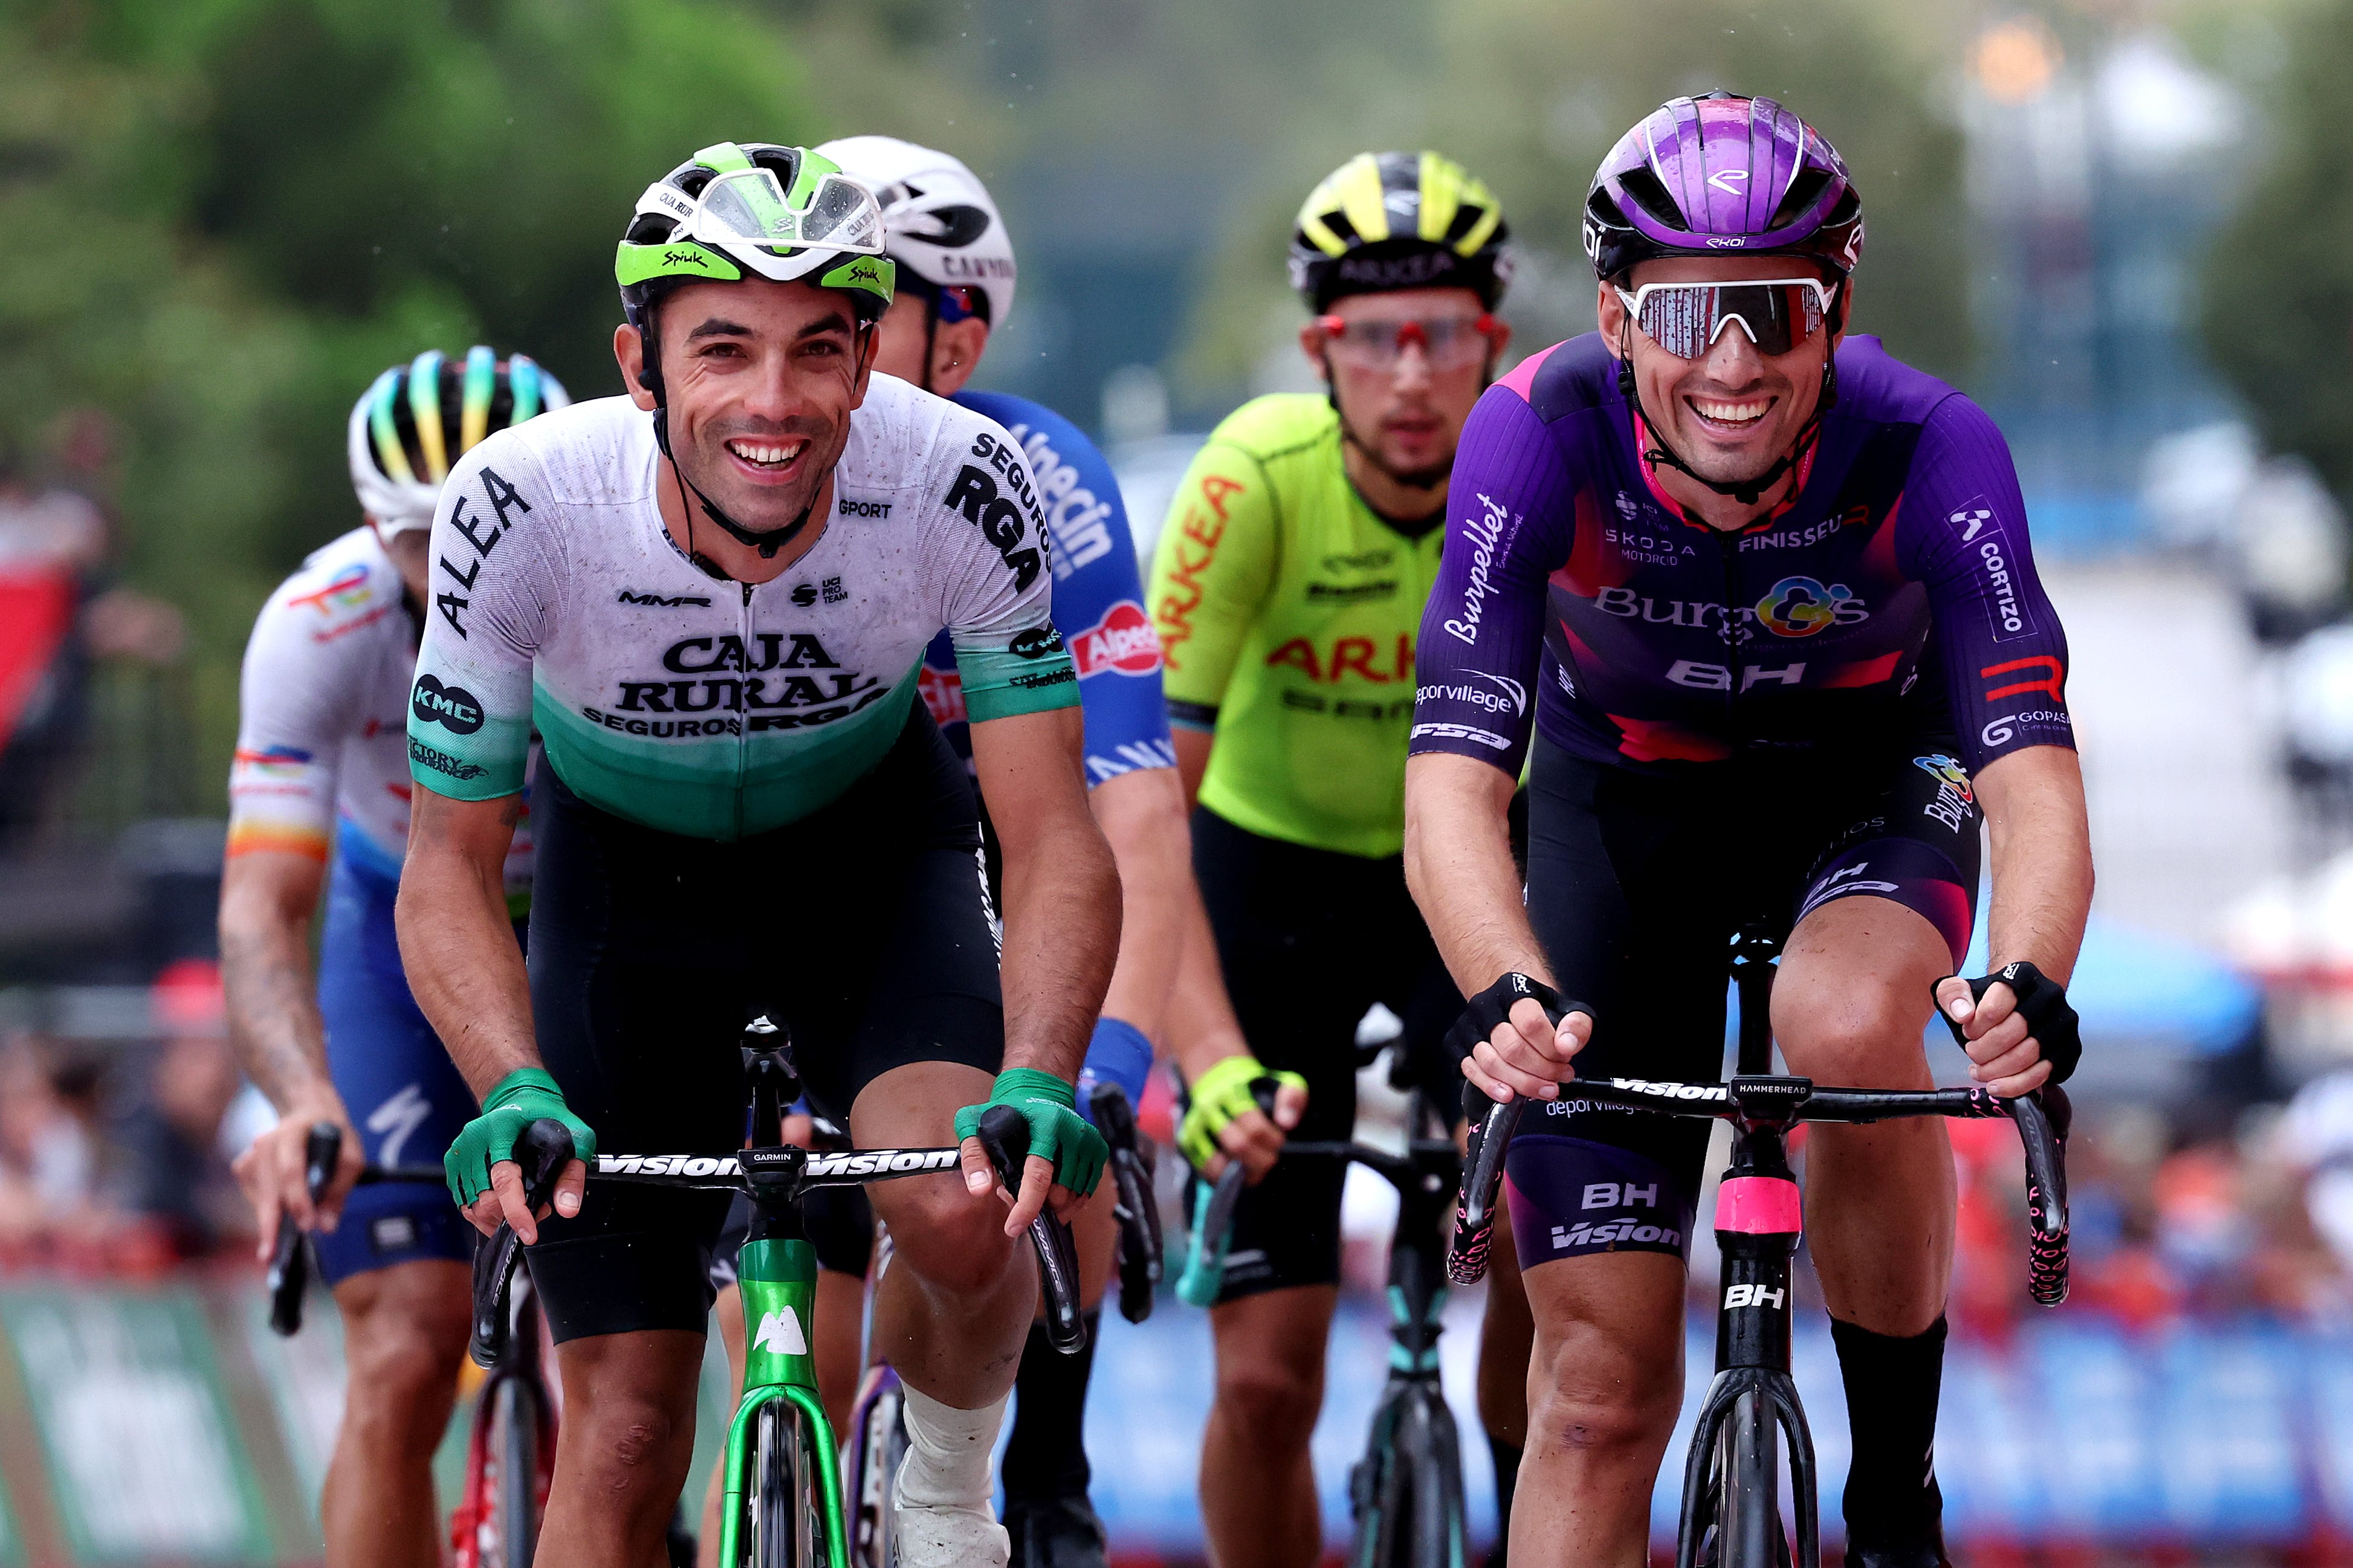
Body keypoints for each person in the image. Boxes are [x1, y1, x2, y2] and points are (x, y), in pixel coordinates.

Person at [393, 142, 1119, 1568]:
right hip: (622, 895)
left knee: (972, 1209)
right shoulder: (521, 505)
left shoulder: (963, 475)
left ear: (869, 365)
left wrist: (1038, 1073)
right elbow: (448, 863)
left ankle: (942, 1492)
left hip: (867, 865)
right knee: (622, 1431)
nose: (774, 402)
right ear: (640, 363)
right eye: (723, 348)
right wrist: (511, 1086)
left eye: (818, 350)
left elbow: (1051, 832)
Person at [1404, 93, 2093, 1568]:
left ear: (1835, 309)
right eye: (1688, 316)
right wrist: (1502, 980)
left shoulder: (1931, 446)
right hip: (1621, 816)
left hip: (1864, 792)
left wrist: (2030, 977)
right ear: (1616, 318)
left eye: (1775, 314)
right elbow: (1454, 782)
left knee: (1843, 1018)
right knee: (1592, 1397)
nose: (1734, 364)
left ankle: (1895, 1492)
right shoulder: (1532, 434)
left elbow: (2032, 771)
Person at [689, 134, 1196, 1568]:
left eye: (856, 305)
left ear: (954, 337)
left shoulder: (1040, 475)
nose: (808, 343)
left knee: (1060, 1135)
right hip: (785, 854)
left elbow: (1133, 808)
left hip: (991, 846)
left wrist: (1117, 1062)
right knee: (788, 1329)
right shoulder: (740, 461)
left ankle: (1039, 1477)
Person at [1145, 150, 1534, 1567]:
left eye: (1445, 333)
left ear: (1493, 340)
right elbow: (1145, 808)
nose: (1414, 373)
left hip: (1479, 875)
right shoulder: (1252, 478)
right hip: (1273, 879)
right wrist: (1203, 1056)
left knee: (1553, 1272)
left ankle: (1519, 1516)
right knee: (1262, 1375)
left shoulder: (1541, 469)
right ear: (1321, 348)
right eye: (1376, 337)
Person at [219, 348, 563, 1566]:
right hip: (398, 924)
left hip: (586, 916)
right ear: (376, 528)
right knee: (411, 1343)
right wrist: (305, 1097)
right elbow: (264, 907)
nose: (469, 567)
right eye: (431, 539)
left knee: (637, 1335)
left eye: (496, 528)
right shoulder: (320, 625)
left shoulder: (625, 590)